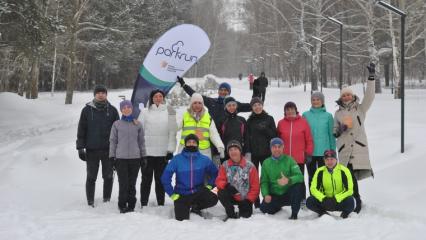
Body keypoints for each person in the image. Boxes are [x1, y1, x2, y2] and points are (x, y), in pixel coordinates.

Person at [176, 76, 251, 164]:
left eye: (226, 90)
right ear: (218, 91)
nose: (223, 92)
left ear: (229, 92)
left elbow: (251, 106)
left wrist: (257, 95)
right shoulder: (212, 102)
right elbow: (196, 96)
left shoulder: (232, 104)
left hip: (226, 140)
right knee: (215, 166)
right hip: (212, 139)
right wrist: (184, 85)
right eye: (221, 90)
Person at [333, 62, 377, 214]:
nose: (346, 96)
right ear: (341, 97)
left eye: (348, 94)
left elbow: (370, 96)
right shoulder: (337, 113)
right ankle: (353, 200)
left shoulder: (360, 109)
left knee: (350, 176)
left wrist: (371, 77)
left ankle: (356, 202)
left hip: (358, 148)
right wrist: (340, 130)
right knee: (348, 176)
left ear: (352, 96)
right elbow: (335, 130)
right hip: (344, 149)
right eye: (344, 95)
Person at [76, 85, 119, 207]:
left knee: (108, 176)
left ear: (106, 94)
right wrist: (80, 148)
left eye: (103, 92)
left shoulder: (112, 110)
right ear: (94, 95)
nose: (101, 94)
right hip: (91, 150)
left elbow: (117, 132)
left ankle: (106, 200)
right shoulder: (86, 110)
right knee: (91, 177)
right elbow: (81, 130)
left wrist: (117, 150)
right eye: (98, 92)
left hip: (108, 150)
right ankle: (90, 201)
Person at [161, 134, 219, 221]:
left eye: (194, 142)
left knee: (213, 198)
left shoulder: (204, 159)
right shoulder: (177, 159)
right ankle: (186, 206)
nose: (191, 144)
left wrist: (210, 185)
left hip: (198, 192)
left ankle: (196, 207)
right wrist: (172, 194)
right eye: (189, 142)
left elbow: (215, 173)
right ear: (185, 144)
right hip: (181, 195)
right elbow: (165, 177)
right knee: (182, 220)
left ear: (197, 145)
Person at [138, 89, 177, 207]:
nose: (158, 98)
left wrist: (170, 150)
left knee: (161, 181)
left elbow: (172, 132)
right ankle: (143, 203)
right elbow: (139, 133)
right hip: (147, 153)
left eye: (160, 96)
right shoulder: (145, 112)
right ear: (151, 98)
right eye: (155, 96)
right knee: (146, 180)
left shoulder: (169, 111)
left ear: (163, 98)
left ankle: (161, 204)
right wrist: (141, 152)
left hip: (162, 154)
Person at [109, 100, 146, 213]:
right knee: (123, 183)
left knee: (132, 183)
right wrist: (112, 157)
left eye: (128, 107)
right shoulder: (117, 124)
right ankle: (122, 205)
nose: (126, 109)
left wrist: (143, 156)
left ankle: (131, 205)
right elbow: (113, 141)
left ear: (131, 109)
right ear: (121, 110)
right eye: (123, 108)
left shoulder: (138, 124)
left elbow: (141, 142)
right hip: (121, 159)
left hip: (135, 158)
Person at [277, 101, 313, 203]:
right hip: (285, 158)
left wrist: (308, 153)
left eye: (292, 109)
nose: (290, 111)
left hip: (299, 158)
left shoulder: (303, 122)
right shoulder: (281, 123)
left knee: (299, 180)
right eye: (287, 110)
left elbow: (309, 139)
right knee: (285, 179)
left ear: (295, 110)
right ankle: (288, 200)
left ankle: (302, 199)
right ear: (284, 112)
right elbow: (277, 140)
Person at [259, 138, 304, 219]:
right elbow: (264, 182)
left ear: (283, 147)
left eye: (279, 147)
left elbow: (300, 176)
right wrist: (266, 194)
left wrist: (288, 180)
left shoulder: (289, 160)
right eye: (274, 147)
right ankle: (277, 206)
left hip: (288, 194)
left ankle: (294, 214)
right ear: (271, 148)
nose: (277, 149)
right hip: (275, 195)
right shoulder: (266, 163)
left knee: (298, 186)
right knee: (264, 209)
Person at [216, 140, 260, 219]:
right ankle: (230, 212)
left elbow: (255, 187)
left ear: (240, 151)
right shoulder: (225, 165)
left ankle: (244, 209)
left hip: (245, 199)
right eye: (230, 150)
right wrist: (226, 185)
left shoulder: (250, 166)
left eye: (235, 149)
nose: (233, 152)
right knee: (221, 192)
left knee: (245, 218)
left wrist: (249, 200)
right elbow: (219, 181)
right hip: (231, 197)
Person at [306, 149, 355, 219]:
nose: (329, 162)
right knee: (309, 201)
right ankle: (323, 213)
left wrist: (336, 198)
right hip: (325, 202)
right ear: (324, 160)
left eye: (332, 159)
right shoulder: (320, 171)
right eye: (327, 159)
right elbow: (313, 189)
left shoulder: (344, 170)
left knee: (351, 201)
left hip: (339, 201)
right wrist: (323, 198)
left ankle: (345, 214)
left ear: (336, 159)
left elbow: (349, 190)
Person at [177, 93, 225, 164]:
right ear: (191, 104)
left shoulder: (208, 117)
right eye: (195, 103)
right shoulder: (184, 115)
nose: (197, 105)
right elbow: (175, 128)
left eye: (199, 103)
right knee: (185, 173)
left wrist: (220, 146)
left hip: (203, 153)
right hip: (186, 151)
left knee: (203, 174)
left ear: (202, 104)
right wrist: (171, 118)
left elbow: (214, 134)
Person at [302, 92, 336, 190]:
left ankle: (325, 198)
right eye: (313, 99)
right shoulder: (305, 115)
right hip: (310, 152)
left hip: (324, 153)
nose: (315, 101)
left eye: (318, 99)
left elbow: (331, 135)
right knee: (312, 177)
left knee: (324, 177)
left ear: (322, 101)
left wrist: (332, 151)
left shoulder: (328, 116)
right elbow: (303, 134)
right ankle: (314, 198)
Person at [219, 97, 250, 163]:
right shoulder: (222, 121)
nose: (231, 107)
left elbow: (246, 137)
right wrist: (220, 152)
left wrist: (247, 152)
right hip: (226, 154)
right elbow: (219, 137)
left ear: (236, 106)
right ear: (225, 107)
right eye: (229, 105)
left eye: (233, 105)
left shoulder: (242, 120)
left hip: (240, 153)